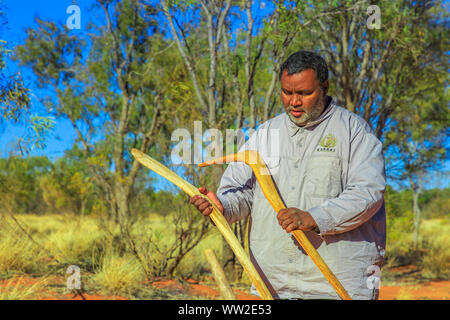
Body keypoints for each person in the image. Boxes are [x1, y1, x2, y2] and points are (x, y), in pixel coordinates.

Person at [190, 50, 386, 300]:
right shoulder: (265, 134)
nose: (293, 102)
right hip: (274, 285)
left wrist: (314, 218)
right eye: (287, 92)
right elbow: (243, 193)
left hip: (337, 285)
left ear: (324, 86)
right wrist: (223, 206)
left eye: (304, 93)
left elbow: (367, 194)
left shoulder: (354, 131)